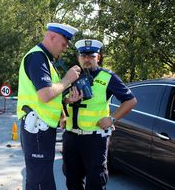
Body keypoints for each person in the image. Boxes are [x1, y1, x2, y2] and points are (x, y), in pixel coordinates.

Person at [62, 39, 137, 190]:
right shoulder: (70, 76)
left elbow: (130, 101)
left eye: (91, 56)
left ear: (98, 57)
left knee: (96, 181)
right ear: (78, 57)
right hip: (71, 136)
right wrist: (67, 101)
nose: (87, 59)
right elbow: (57, 100)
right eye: (83, 56)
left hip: (95, 138)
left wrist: (112, 119)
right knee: (72, 180)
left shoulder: (108, 77)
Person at [17, 23, 81, 190]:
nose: (65, 48)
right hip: (37, 128)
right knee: (40, 181)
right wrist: (67, 79)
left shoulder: (45, 59)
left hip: (40, 128)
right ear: (52, 37)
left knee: (39, 178)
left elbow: (50, 95)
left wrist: (65, 104)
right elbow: (45, 94)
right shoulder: (38, 57)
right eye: (64, 43)